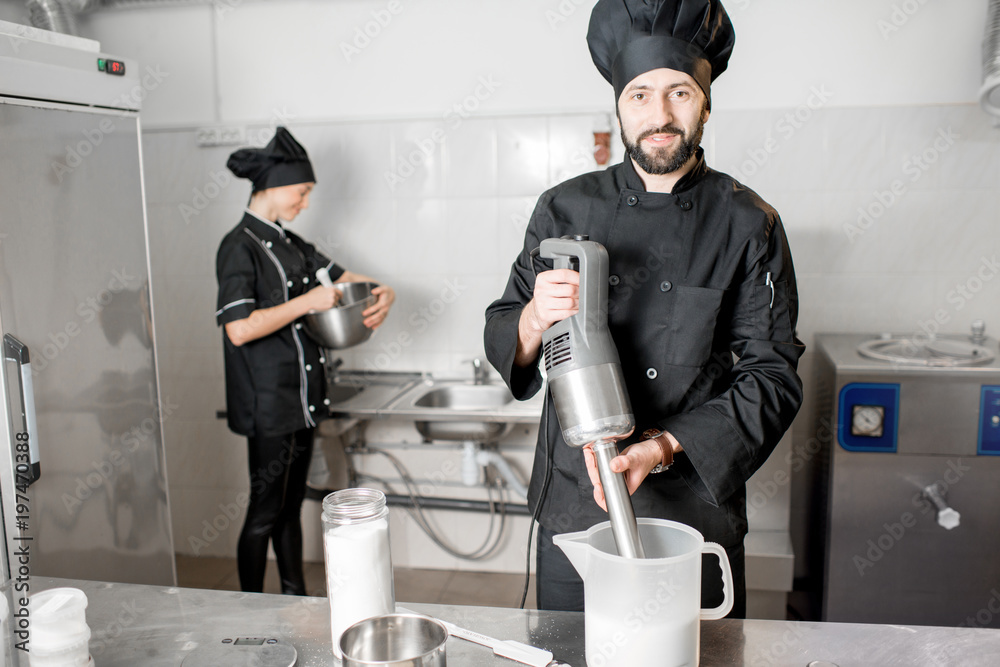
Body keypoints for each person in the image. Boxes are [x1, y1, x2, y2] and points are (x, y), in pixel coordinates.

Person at [484, 0, 804, 615]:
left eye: (680, 93)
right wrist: (532, 318)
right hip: (579, 499)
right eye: (640, 95)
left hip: (693, 502)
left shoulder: (749, 224)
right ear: (619, 107)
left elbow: (774, 377)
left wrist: (659, 448)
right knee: (572, 653)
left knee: (694, 655)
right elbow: (506, 329)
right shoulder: (563, 210)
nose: (660, 115)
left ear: (706, 103)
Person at [215, 126, 395, 595]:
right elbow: (239, 328)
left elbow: (349, 279)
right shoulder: (238, 247)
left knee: (291, 505)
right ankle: (248, 609)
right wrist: (307, 303)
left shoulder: (293, 244)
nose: (306, 202)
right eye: (302, 192)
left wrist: (385, 291)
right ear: (272, 187)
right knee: (264, 511)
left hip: (303, 399)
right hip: (268, 403)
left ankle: (295, 595)